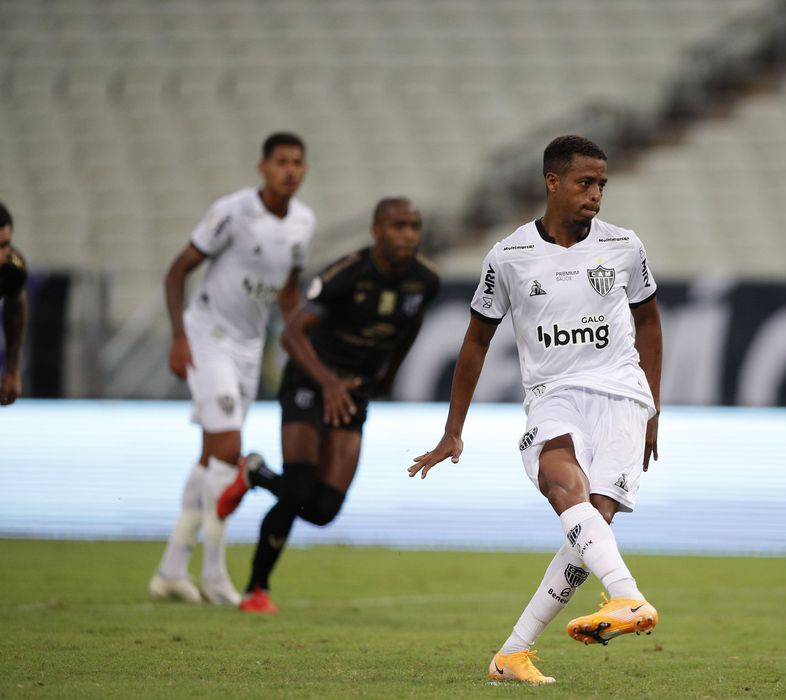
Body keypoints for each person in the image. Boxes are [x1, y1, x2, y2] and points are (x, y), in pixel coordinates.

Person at [409, 135, 663, 685]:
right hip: (555, 394)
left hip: (623, 395)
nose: (595, 194)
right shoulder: (509, 256)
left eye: (601, 185)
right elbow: (476, 340)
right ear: (553, 181)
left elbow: (648, 322)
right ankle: (626, 595)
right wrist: (453, 430)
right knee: (559, 480)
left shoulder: (625, 246)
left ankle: (512, 655)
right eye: (585, 183)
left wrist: (654, 410)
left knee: (590, 529)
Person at [229, 197, 440, 614]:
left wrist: (386, 378)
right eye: (398, 226)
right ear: (376, 231)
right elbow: (292, 334)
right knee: (298, 489)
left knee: (324, 509)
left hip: (354, 389)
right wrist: (328, 384)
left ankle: (256, 473)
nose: (408, 235)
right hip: (311, 380)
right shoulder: (347, 272)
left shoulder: (425, 280)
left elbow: (409, 329)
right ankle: (256, 590)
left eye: (414, 226)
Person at [149, 132, 315, 605]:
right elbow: (177, 271)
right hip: (208, 336)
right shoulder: (233, 211)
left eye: (297, 162)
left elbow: (288, 292)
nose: (290, 170)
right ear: (263, 167)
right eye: (281, 162)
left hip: (249, 348)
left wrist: (299, 341)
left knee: (211, 459)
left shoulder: (303, 222)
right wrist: (179, 337)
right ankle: (215, 574)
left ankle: (170, 571)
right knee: (228, 450)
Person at [0, 202, 28, 406]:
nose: (1, 256)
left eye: (4, 245)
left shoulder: (12, 269)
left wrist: (12, 368)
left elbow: (15, 309)